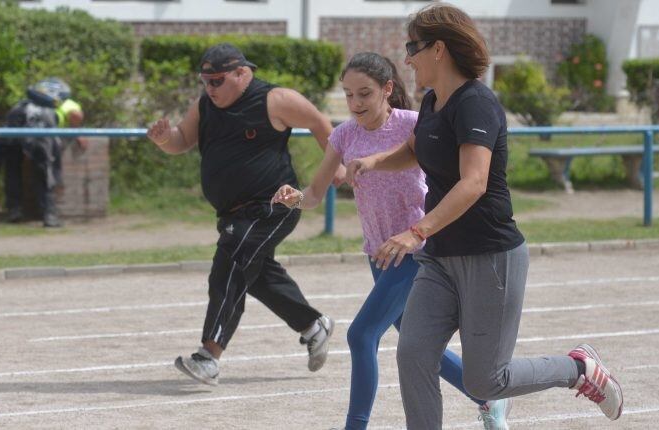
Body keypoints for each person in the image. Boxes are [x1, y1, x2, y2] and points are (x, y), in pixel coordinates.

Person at [345, 5, 623, 430]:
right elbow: (420, 149)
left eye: (411, 48)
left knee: (488, 380)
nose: (407, 59)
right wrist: (376, 161)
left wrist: (415, 230)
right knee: (414, 354)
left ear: (438, 49)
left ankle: (578, 369)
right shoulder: (433, 100)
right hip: (439, 258)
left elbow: (473, 183)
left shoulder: (477, 103)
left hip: (489, 256)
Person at [273, 52, 512, 430]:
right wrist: (296, 198)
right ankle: (487, 397)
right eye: (348, 95)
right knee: (418, 346)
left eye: (364, 94)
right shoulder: (343, 134)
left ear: (387, 89)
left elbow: (464, 174)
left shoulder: (415, 124)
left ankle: (356, 425)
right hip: (378, 253)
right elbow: (316, 192)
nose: (355, 104)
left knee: (361, 334)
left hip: (416, 249)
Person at [146, 43, 345, 385]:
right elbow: (182, 140)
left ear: (242, 72)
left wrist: (335, 167)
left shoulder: (274, 99)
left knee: (230, 263)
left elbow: (318, 121)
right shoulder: (205, 105)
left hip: (274, 204)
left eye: (217, 81)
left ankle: (210, 355)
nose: (210, 88)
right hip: (233, 213)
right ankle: (314, 326)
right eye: (205, 81)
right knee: (255, 272)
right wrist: (165, 139)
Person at [0, 78, 86, 227]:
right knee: (46, 171)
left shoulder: (23, 104)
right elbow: (76, 115)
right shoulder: (66, 102)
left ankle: (14, 210)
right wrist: (77, 131)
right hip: (41, 133)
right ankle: (49, 215)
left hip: (16, 129)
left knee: (12, 169)